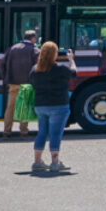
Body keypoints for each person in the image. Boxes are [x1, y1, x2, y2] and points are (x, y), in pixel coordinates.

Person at [28, 43, 76, 172]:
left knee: (42, 133)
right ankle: (55, 162)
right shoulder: (61, 69)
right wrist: (71, 59)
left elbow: (32, 84)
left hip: (40, 106)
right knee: (55, 134)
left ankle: (37, 162)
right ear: (54, 54)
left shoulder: (34, 70)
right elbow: (74, 72)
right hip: (59, 105)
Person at [0, 29, 38, 138]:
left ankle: (7, 132)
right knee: (24, 106)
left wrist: (6, 78)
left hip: (12, 83)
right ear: (33, 38)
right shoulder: (34, 50)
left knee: (10, 107)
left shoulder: (12, 48)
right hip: (27, 84)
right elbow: (38, 66)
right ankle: (23, 132)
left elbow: (1, 65)